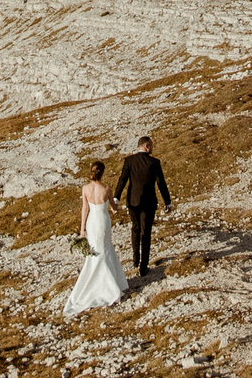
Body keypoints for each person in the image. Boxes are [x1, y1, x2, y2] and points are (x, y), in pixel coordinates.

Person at [62, 160, 127, 315]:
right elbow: (113, 206)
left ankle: (95, 283)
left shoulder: (85, 188)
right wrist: (115, 206)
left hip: (92, 221)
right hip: (103, 220)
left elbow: (85, 208)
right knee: (106, 249)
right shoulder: (106, 189)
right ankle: (110, 284)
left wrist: (82, 228)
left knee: (95, 251)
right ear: (102, 172)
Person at [113, 134, 173, 277]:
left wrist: (116, 198)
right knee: (145, 232)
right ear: (147, 146)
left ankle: (135, 259)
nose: (152, 147)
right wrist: (168, 201)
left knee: (135, 228)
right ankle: (143, 267)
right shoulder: (154, 163)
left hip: (133, 201)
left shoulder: (129, 161)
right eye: (151, 145)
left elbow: (122, 180)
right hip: (149, 202)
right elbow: (161, 184)